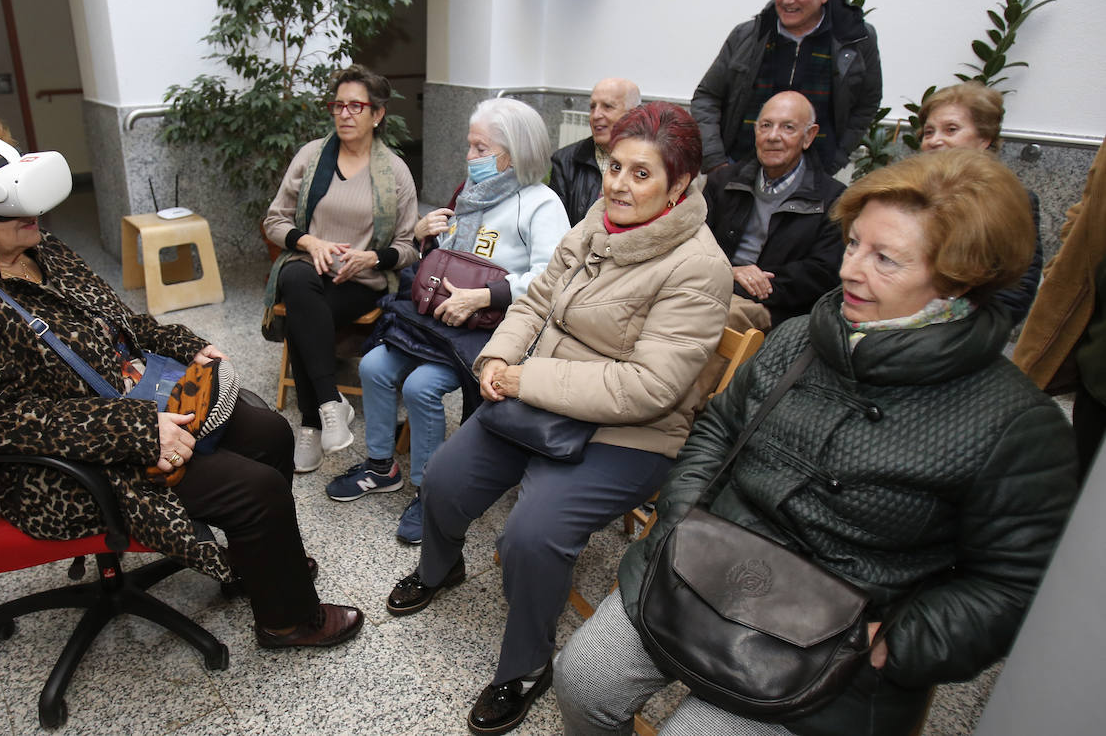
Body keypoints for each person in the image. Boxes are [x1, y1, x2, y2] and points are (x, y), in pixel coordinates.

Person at [555, 149, 1079, 736]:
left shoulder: (1014, 424)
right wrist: (679, 518)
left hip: (836, 635)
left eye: (885, 259)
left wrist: (897, 641)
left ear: (962, 279)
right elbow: (718, 430)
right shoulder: (800, 338)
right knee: (581, 678)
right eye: (853, 244)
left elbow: (1013, 584)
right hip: (710, 558)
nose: (850, 270)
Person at [0, 118, 363, 649]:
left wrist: (185, 345)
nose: (32, 213)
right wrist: (137, 430)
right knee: (256, 489)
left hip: (136, 401)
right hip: (63, 465)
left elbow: (122, 322)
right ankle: (288, 621)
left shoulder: (41, 248)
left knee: (269, 433)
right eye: (7, 203)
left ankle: (262, 567)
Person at [386, 102, 733, 735]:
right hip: (542, 398)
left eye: (641, 174)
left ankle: (525, 666)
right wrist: (498, 356)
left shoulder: (699, 267)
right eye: (614, 166)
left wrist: (524, 379)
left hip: (627, 433)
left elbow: (650, 388)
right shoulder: (599, 219)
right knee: (442, 478)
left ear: (680, 185)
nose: (618, 185)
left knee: (531, 535)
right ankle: (440, 566)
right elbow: (537, 299)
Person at [330, 98, 571, 544]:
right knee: (373, 366)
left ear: (512, 155)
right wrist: (424, 237)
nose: (469, 157)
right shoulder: (470, 194)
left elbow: (553, 278)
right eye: (469, 145)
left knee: (421, 386)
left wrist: (486, 295)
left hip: (491, 329)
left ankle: (431, 491)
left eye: (481, 148)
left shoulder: (542, 204)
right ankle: (381, 467)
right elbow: (448, 261)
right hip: (439, 321)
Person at [262, 64, 420, 473]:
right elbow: (274, 221)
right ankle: (330, 405)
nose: (344, 114)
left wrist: (371, 258)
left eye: (356, 106)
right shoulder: (311, 157)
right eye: (338, 105)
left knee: (301, 313)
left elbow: (408, 248)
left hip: (359, 282)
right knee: (296, 278)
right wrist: (310, 242)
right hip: (308, 270)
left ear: (377, 114)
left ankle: (311, 423)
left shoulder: (395, 172)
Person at [691, 0, 881, 176]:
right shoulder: (748, 36)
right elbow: (707, 96)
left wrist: (837, 158)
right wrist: (716, 163)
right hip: (738, 169)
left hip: (815, 176)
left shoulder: (855, 40)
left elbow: (866, 104)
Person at [705, 90, 845, 331]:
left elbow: (821, 273)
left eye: (788, 127)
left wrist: (752, 283)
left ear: (809, 136)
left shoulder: (833, 199)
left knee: (709, 318)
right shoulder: (723, 181)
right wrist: (729, 272)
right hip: (714, 282)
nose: (772, 136)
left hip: (775, 307)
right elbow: (695, 240)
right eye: (766, 126)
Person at [1014, 136, 1106, 478]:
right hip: (1098, 363)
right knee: (1083, 474)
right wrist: (1064, 263)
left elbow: (1014, 288)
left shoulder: (1015, 199)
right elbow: (1090, 204)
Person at [918, 81, 1043, 325]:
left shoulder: (1010, 201)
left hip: (961, 332)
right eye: (929, 131)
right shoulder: (904, 192)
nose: (934, 140)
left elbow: (1017, 289)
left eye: (951, 129)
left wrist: (967, 332)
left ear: (984, 139)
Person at [550, 77, 642, 224]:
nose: (596, 115)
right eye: (593, 107)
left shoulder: (650, 161)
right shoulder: (566, 161)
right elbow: (556, 224)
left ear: (633, 114)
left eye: (607, 106)